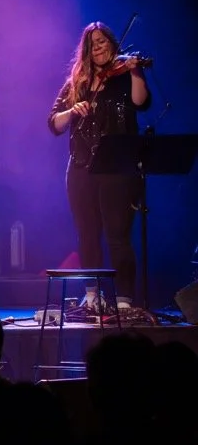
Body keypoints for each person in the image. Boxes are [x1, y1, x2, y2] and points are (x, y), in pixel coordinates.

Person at [48, 21, 150, 310]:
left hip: (117, 166)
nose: (99, 47)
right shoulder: (76, 83)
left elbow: (141, 102)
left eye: (103, 41)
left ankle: (124, 299)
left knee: (118, 235)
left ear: (113, 44)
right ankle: (92, 295)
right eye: (93, 44)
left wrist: (135, 69)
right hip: (81, 166)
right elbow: (53, 123)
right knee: (87, 234)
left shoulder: (123, 77)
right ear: (86, 51)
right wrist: (72, 110)